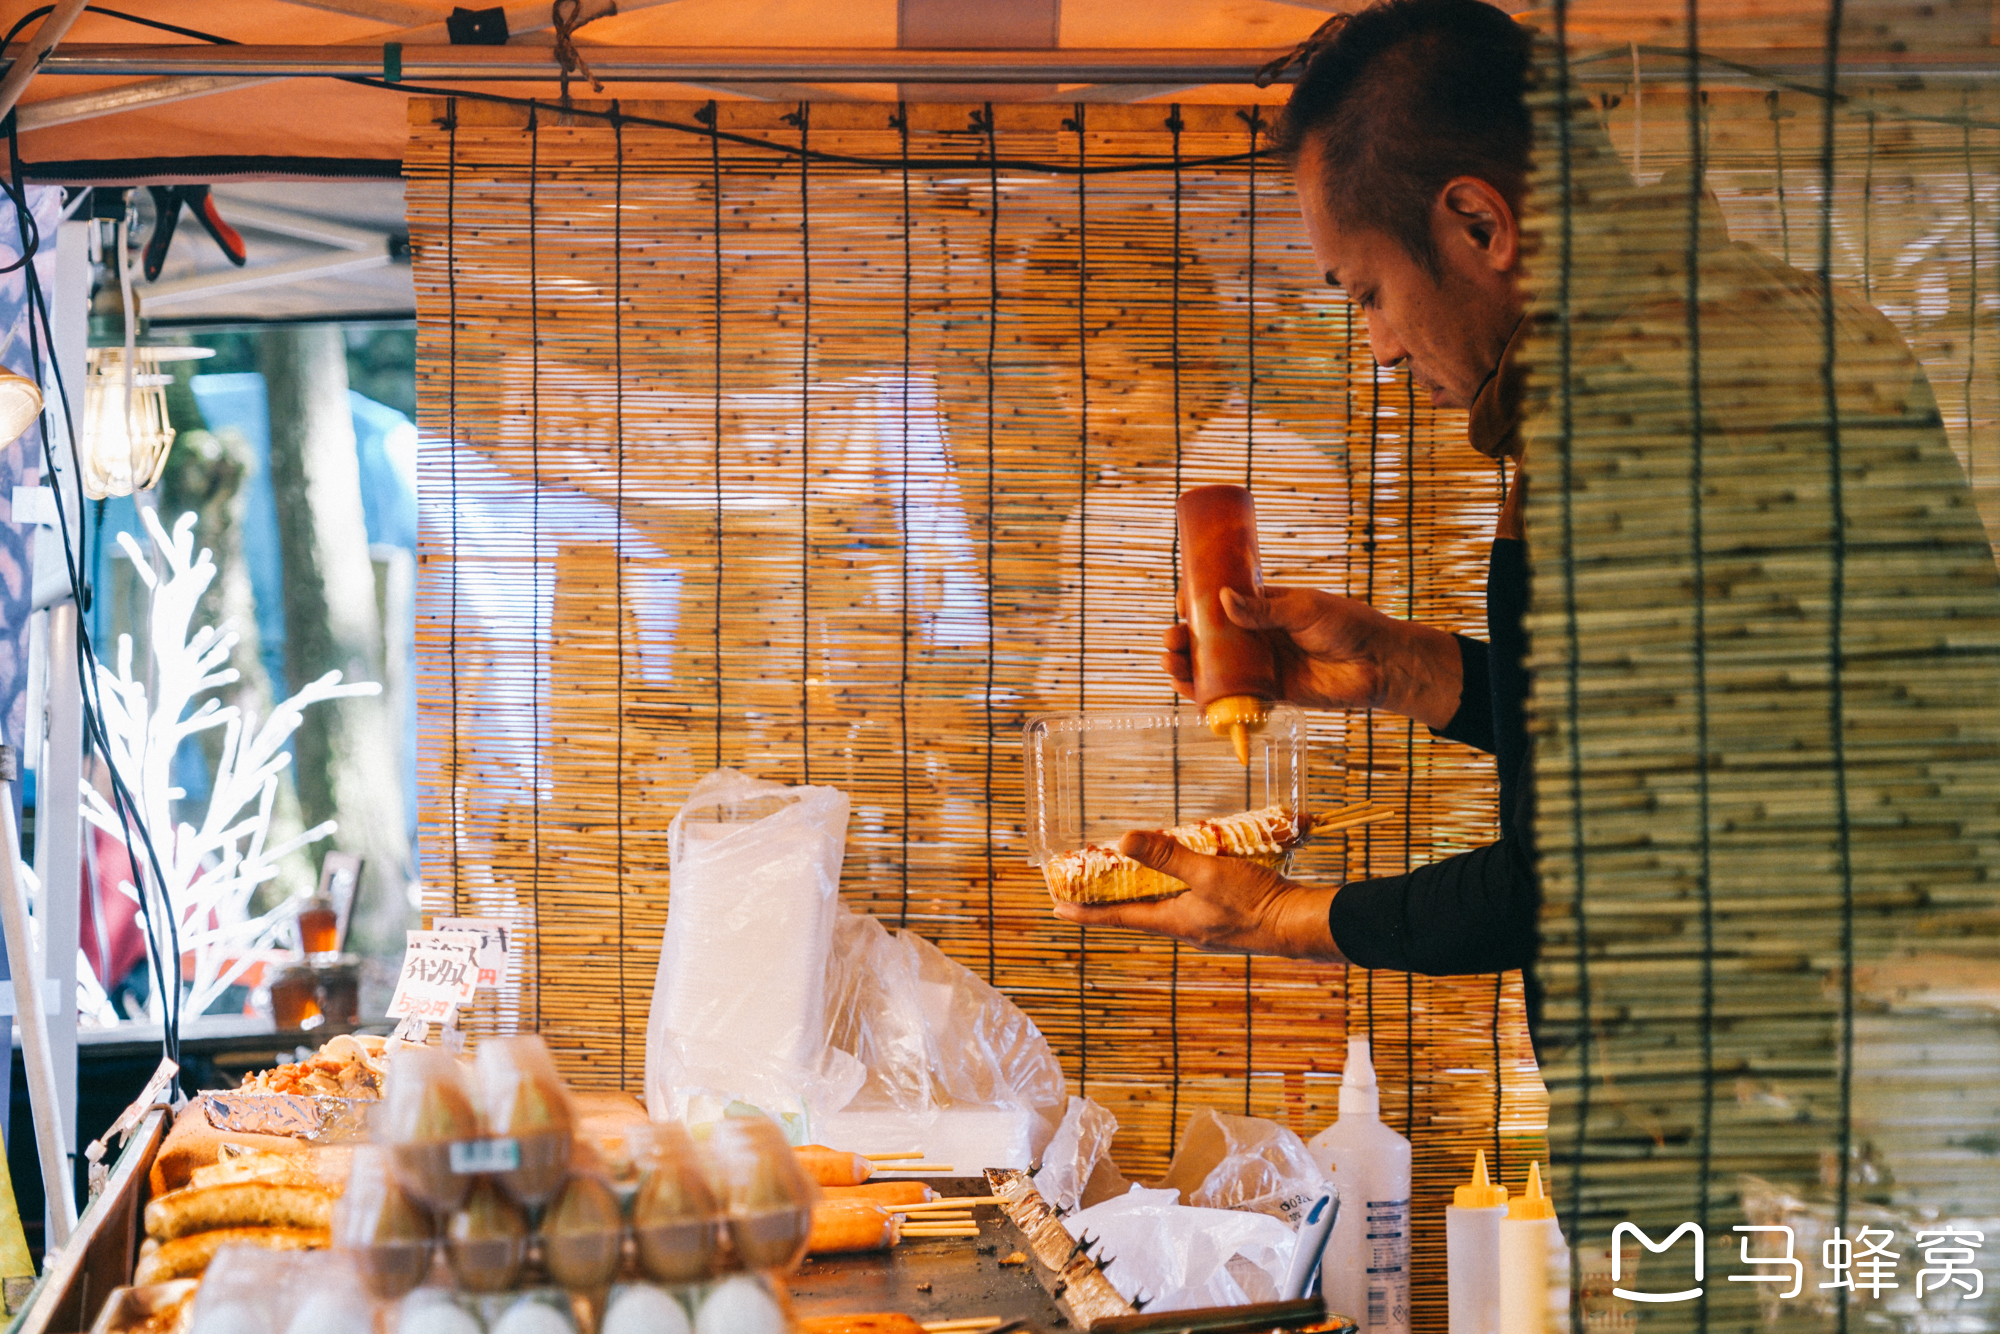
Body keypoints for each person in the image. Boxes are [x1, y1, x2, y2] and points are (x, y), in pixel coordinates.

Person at [1054, 0, 1998, 1052]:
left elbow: (1586, 868)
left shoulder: (1643, 408)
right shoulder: (1730, 331)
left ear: (1477, 224)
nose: (1374, 346)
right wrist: (1397, 666)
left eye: (1366, 292)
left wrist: (1277, 913)